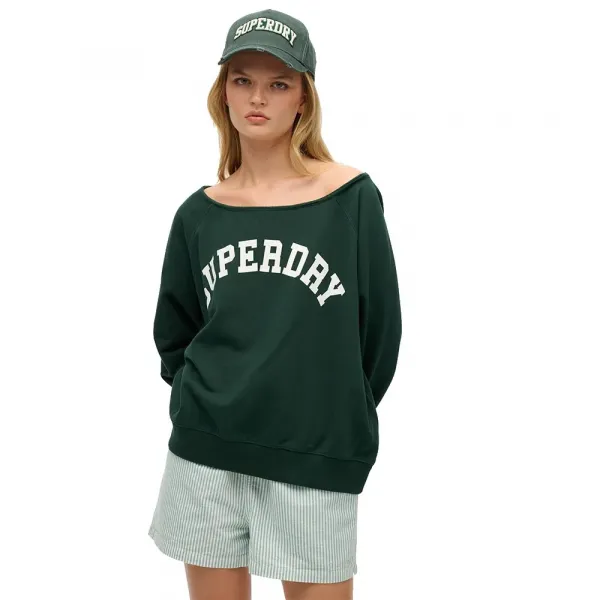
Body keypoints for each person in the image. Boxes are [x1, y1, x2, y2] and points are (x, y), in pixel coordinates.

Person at [147, 8, 402, 600]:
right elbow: (175, 333)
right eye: (243, 80)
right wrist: (199, 399)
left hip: (314, 453)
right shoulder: (198, 213)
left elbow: (380, 332)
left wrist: (332, 413)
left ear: (303, 98)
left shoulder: (349, 199)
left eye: (278, 83)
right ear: (224, 93)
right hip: (205, 452)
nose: (258, 97)